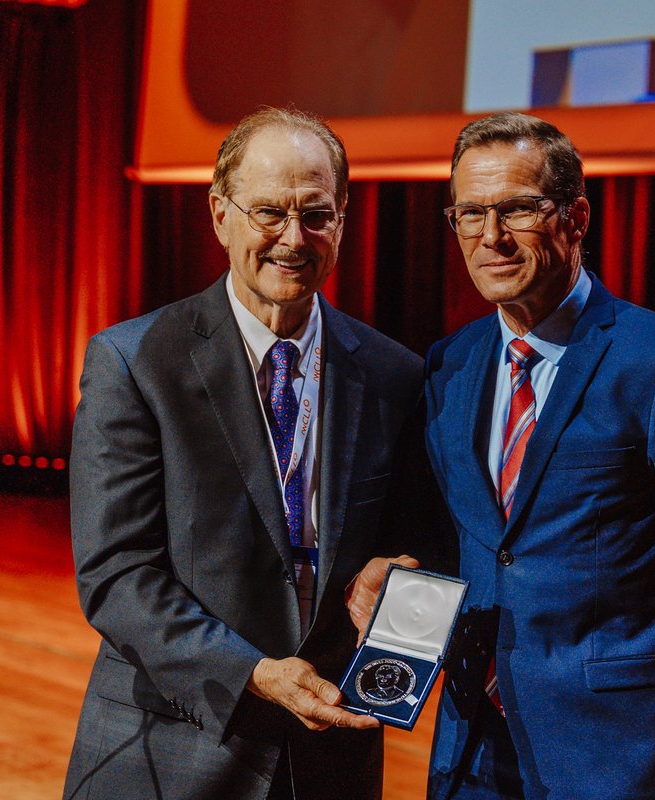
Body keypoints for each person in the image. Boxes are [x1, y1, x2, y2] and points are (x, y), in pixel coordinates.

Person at [62, 107, 434, 800]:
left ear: (343, 218)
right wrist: (256, 674)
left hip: (329, 761)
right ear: (219, 214)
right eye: (269, 212)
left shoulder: (393, 375)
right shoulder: (135, 362)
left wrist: (399, 571)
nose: (294, 239)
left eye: (317, 215)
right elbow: (115, 573)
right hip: (173, 746)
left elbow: (416, 548)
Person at [422, 112, 655, 799]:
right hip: (473, 748)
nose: (490, 237)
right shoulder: (449, 364)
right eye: (470, 213)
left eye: (518, 209)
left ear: (576, 217)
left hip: (619, 752)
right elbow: (467, 545)